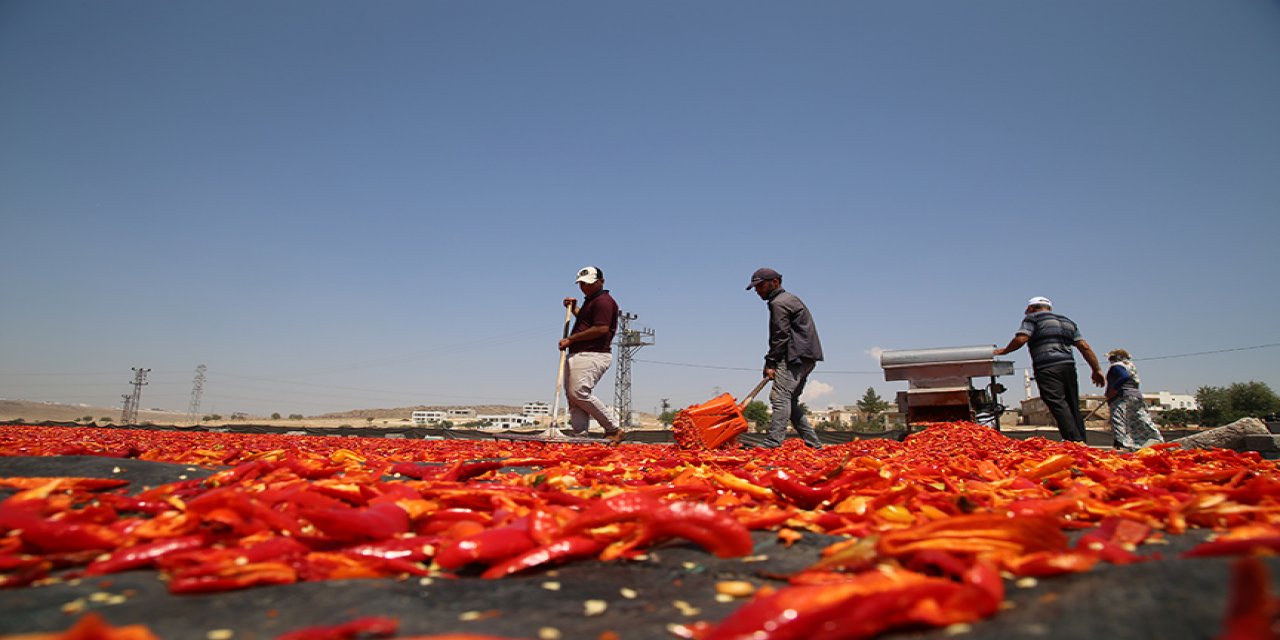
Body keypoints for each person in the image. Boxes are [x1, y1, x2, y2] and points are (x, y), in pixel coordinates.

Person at [994, 296, 1104, 443]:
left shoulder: (1033, 319)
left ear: (1031, 308)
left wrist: (1005, 351)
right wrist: (1096, 369)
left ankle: (1073, 441)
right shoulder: (1067, 322)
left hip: (1047, 367)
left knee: (1056, 402)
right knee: (1072, 404)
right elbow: (1084, 346)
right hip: (1068, 366)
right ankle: (1081, 439)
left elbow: (1021, 338)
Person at [747, 267, 824, 449]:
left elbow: (780, 335)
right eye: (755, 287)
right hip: (807, 356)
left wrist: (770, 362)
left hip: (794, 356)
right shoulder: (790, 298)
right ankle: (814, 444)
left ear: (775, 282)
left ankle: (773, 443)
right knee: (790, 400)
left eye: (760, 286)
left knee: (780, 397)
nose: (758, 291)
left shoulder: (779, 303)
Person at [559, 266, 623, 443]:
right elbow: (586, 321)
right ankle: (579, 434)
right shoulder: (591, 301)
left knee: (579, 392)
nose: (584, 288)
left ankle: (613, 427)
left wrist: (571, 339)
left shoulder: (603, 301)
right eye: (582, 284)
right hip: (580, 352)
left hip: (593, 353)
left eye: (589, 284)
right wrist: (573, 308)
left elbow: (601, 328)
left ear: (601, 282)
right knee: (573, 396)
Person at [1104, 348, 1164, 450]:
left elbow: (1123, 377)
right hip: (1135, 396)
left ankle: (1122, 444)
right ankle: (1156, 439)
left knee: (1119, 420)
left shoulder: (1117, 366)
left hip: (1122, 397)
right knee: (1141, 419)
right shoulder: (1130, 366)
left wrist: (1113, 390)